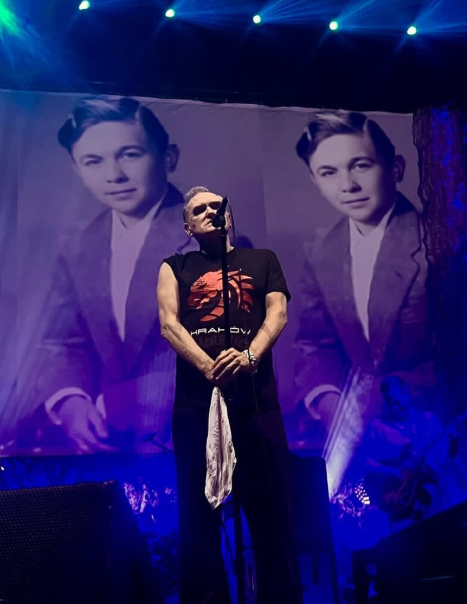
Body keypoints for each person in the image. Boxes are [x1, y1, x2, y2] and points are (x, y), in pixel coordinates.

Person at [24, 95, 196, 453]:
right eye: (93, 161)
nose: (113, 175)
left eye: (129, 155)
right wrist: (70, 401)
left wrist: (115, 406)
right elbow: (63, 342)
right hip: (105, 445)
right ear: (77, 169)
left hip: (189, 441)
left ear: (169, 158)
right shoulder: (78, 246)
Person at [157, 186, 302, 604]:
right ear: (187, 226)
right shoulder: (175, 266)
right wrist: (209, 367)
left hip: (255, 400)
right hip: (196, 405)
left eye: (215, 206)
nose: (210, 212)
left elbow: (278, 313)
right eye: (199, 209)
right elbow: (169, 324)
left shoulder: (262, 261)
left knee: (271, 510)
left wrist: (249, 357)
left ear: (228, 216)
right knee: (198, 516)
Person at [293, 110, 434, 448]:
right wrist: (328, 400)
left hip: (438, 426)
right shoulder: (321, 254)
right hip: (364, 442)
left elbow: (457, 352)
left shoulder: (437, 243)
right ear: (315, 180)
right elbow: (316, 343)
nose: (348, 186)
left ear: (396, 168)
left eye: (360, 165)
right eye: (329, 172)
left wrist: (382, 400)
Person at [361, 375, 447, 527]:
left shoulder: (429, 420)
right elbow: (364, 463)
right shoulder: (377, 428)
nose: (394, 407)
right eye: (389, 402)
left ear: (406, 393)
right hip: (398, 504)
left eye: (396, 401)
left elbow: (444, 458)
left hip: (431, 496)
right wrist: (391, 471)